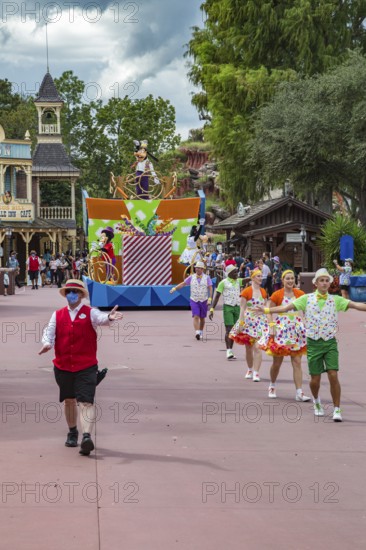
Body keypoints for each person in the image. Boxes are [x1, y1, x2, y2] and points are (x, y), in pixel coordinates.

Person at [257, 268, 366, 422]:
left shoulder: (336, 300)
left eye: (327, 280)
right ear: (315, 283)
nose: (324, 283)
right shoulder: (306, 299)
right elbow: (286, 308)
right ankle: (316, 402)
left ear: (330, 283)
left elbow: (355, 305)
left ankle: (337, 409)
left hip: (329, 343)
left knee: (333, 374)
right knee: (315, 380)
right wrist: (267, 310)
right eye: (321, 280)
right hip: (313, 343)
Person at [38, 279, 123, 455]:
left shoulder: (90, 312)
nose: (71, 295)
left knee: (85, 401)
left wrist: (109, 317)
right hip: (63, 366)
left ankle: (86, 437)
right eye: (69, 291)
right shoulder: (58, 314)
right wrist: (47, 343)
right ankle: (72, 432)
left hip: (86, 366)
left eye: (75, 292)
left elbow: (101, 318)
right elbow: (49, 331)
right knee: (69, 400)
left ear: (81, 295)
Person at [258, 269, 310, 401]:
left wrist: (307, 322)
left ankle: (299, 392)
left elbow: (306, 310)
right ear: (282, 280)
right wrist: (271, 325)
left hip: (296, 329)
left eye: (292, 278)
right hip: (282, 329)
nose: (290, 281)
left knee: (297, 361)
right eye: (287, 278)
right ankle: (272, 385)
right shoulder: (277, 294)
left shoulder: (300, 294)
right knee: (277, 362)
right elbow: (269, 311)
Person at [230, 269, 268, 381]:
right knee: (248, 348)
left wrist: (268, 319)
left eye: (261, 276)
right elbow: (242, 308)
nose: (261, 278)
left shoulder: (263, 291)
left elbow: (266, 306)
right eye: (258, 276)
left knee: (258, 347)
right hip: (248, 321)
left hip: (260, 321)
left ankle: (256, 372)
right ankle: (250, 369)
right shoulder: (246, 292)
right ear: (252, 278)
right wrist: (241, 323)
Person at [209, 265, 245, 360]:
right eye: (235, 272)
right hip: (228, 307)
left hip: (237, 308)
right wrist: (212, 309)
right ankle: (229, 350)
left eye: (237, 272)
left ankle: (231, 350)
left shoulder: (239, 281)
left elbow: (247, 279)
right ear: (229, 273)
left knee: (235, 330)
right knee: (229, 329)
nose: (237, 274)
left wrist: (255, 274)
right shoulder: (223, 283)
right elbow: (217, 296)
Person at [170, 260, 213, 340]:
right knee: (196, 316)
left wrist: (210, 298)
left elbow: (210, 288)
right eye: (196, 268)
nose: (197, 269)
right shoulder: (191, 277)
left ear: (202, 269)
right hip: (194, 299)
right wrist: (175, 288)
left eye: (199, 268)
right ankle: (197, 332)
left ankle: (201, 331)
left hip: (204, 299)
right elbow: (183, 283)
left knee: (202, 318)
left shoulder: (207, 278)